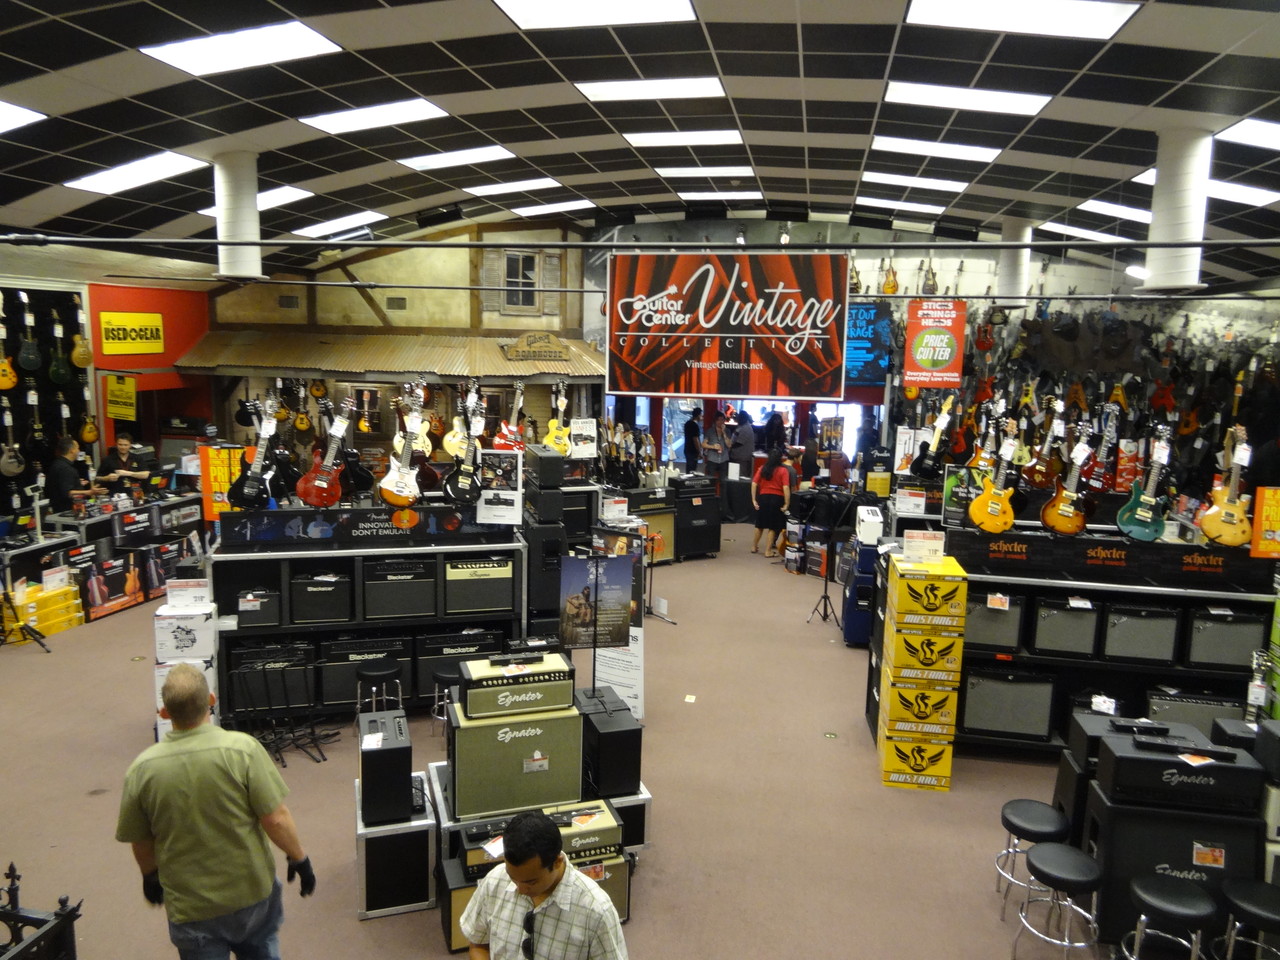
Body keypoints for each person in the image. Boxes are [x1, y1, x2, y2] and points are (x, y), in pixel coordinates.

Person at [116, 663, 315, 960]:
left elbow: (141, 841)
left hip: (191, 906)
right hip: (251, 894)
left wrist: (150, 876)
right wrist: (299, 858)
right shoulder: (242, 750)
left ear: (165, 713)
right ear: (211, 700)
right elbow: (275, 818)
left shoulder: (142, 769)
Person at [460, 809, 627, 960]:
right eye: (513, 878)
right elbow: (478, 944)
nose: (520, 890)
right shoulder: (495, 880)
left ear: (557, 862)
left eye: (531, 882)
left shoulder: (596, 911)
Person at [46, 436, 106, 512]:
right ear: (72, 450)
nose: (79, 451)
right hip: (66, 511)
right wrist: (89, 492)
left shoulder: (57, 464)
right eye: (77, 448)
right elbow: (68, 493)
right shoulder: (66, 469)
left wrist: (77, 483)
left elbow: (60, 484)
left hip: (58, 508)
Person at [751, 446, 791, 557]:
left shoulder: (763, 468)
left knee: (759, 524)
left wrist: (754, 499)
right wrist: (787, 503)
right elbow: (786, 488)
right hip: (776, 499)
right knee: (773, 526)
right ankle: (768, 551)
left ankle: (754, 546)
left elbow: (754, 483)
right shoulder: (783, 471)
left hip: (763, 497)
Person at [701, 410, 730, 489]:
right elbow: (703, 444)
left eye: (722, 420)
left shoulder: (727, 431)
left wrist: (724, 433)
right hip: (712, 459)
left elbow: (729, 445)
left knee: (723, 482)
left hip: (724, 459)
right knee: (711, 480)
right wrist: (713, 446)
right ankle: (711, 498)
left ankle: (723, 499)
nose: (721, 422)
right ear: (715, 421)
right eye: (719, 420)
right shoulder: (710, 431)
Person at [729, 410, 755, 480]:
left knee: (741, 477)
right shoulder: (741, 426)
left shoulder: (746, 428)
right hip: (737, 456)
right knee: (734, 476)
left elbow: (739, 442)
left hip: (742, 458)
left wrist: (730, 446)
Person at [682, 407, 702, 474]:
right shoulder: (695, 425)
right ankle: (690, 482)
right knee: (692, 469)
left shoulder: (687, 423)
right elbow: (695, 439)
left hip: (687, 449)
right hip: (693, 451)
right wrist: (699, 451)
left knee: (688, 467)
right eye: (701, 415)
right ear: (698, 415)